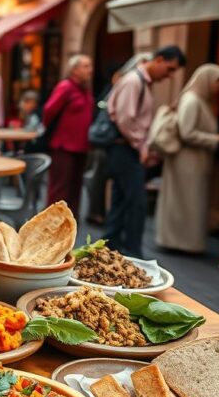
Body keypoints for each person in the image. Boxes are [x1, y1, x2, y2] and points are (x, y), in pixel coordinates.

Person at [104, 45, 186, 258]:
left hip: (125, 147)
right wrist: (141, 146)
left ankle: (111, 250)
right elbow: (125, 119)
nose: (169, 76)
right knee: (136, 204)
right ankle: (132, 254)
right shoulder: (134, 81)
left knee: (122, 202)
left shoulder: (139, 82)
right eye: (169, 69)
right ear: (158, 59)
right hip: (125, 148)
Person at [155, 63, 219, 253]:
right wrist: (216, 139)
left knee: (188, 205)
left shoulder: (199, 100)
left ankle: (184, 242)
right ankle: (179, 243)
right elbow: (187, 132)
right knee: (184, 204)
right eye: (218, 80)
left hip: (193, 162)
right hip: (186, 163)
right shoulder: (192, 100)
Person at [85, 53, 151, 225]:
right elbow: (125, 118)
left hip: (108, 141)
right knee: (105, 182)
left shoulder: (128, 85)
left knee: (113, 190)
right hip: (112, 142)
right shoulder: (131, 83)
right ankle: (97, 214)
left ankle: (102, 219)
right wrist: (139, 144)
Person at [43, 55, 95, 215]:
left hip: (81, 147)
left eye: (90, 66)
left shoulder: (85, 89)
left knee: (75, 188)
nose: (90, 70)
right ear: (74, 70)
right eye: (85, 66)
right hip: (63, 146)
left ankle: (70, 224)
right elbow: (49, 111)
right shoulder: (65, 86)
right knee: (60, 189)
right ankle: (52, 224)